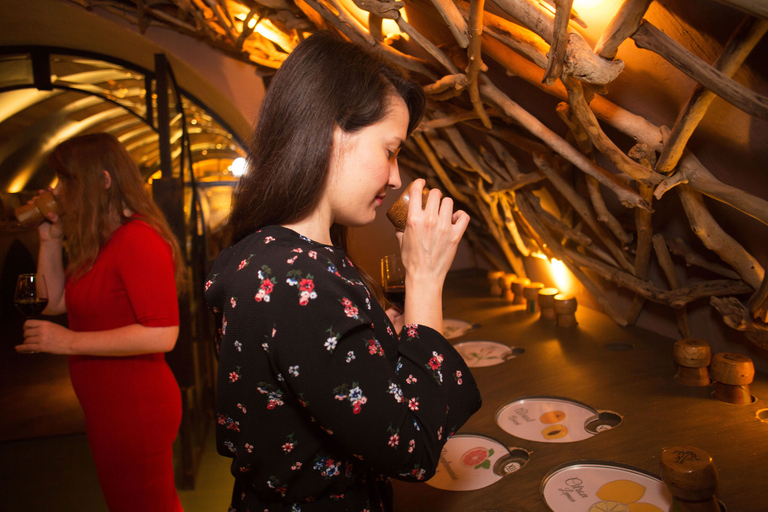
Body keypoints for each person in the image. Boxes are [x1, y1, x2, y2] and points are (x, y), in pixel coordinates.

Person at [204, 31, 482, 512]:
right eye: (390, 150)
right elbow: (412, 447)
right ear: (333, 133)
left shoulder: (290, 254)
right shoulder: (290, 278)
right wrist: (424, 277)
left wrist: (381, 338)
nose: (396, 177)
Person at [15, 133, 185, 512]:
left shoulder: (138, 239)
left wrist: (68, 342)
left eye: (66, 180)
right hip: (108, 409)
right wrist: (49, 239)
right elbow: (55, 301)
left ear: (103, 181)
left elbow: (163, 333)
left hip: (136, 409)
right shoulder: (101, 240)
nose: (58, 191)